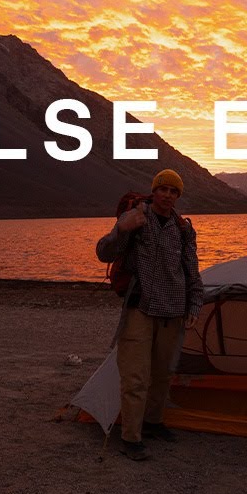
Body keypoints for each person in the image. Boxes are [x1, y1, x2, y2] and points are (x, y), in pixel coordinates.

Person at [95, 168, 203, 461]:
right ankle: (131, 437)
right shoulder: (136, 219)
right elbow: (103, 252)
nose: (168, 195)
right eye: (163, 189)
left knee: (163, 373)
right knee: (135, 376)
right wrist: (122, 229)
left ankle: (154, 423)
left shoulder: (183, 229)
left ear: (178, 196)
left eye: (174, 191)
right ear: (154, 191)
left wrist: (194, 305)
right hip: (140, 307)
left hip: (174, 310)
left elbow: (191, 269)